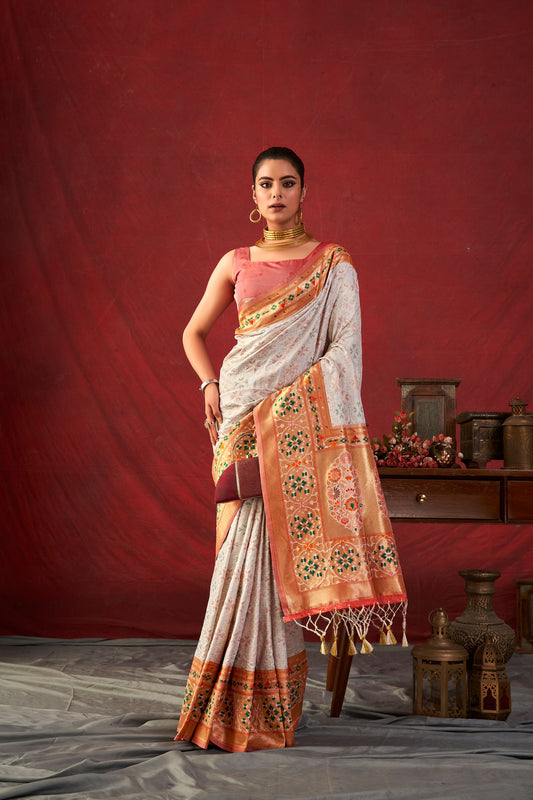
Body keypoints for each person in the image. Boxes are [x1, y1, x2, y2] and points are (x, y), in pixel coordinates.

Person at [175, 147, 407, 753]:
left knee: (276, 553)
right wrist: (209, 385)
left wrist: (287, 406)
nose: (276, 193)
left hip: (295, 421)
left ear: (304, 191)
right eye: (265, 184)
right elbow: (193, 333)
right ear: (252, 195)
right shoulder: (234, 261)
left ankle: (267, 702)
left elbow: (344, 352)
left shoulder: (333, 265)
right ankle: (225, 696)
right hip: (239, 418)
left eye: (287, 183)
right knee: (241, 550)